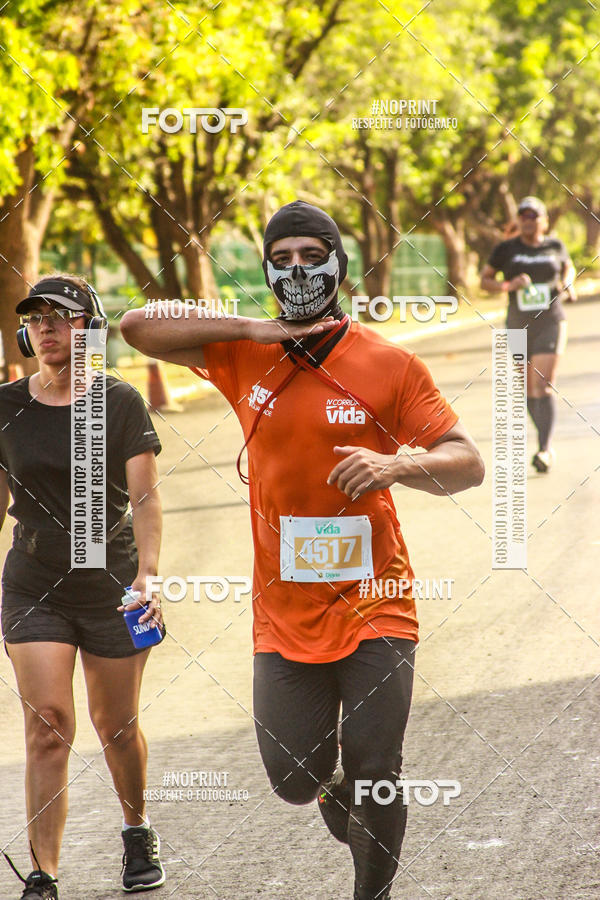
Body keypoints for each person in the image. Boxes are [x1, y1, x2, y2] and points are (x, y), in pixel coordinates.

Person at [120, 200, 485, 899]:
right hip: (284, 612)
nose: (297, 270)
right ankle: (331, 788)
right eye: (281, 259)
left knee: (377, 769)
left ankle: (372, 890)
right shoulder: (242, 354)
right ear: (266, 271)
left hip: (377, 599)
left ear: (341, 267)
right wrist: (252, 327)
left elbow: (466, 462)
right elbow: (136, 326)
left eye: (312, 256)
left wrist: (395, 464)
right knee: (295, 778)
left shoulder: (389, 364)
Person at [0, 275, 165, 899]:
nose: (45, 326)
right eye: (35, 318)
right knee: (48, 724)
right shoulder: (5, 406)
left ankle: (136, 827)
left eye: (61, 316)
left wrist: (149, 575)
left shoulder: (119, 402)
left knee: (115, 726)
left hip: (111, 583)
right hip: (33, 582)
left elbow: (145, 499)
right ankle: (43, 873)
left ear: (90, 329)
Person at [481, 196, 577, 472]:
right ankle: (544, 439)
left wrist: (567, 283)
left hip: (550, 320)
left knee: (542, 384)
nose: (527, 220)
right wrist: (508, 285)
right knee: (529, 388)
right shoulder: (506, 249)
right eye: (523, 215)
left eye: (533, 216)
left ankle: (544, 449)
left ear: (544, 221)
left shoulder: (555, 246)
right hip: (517, 324)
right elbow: (485, 280)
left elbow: (568, 267)